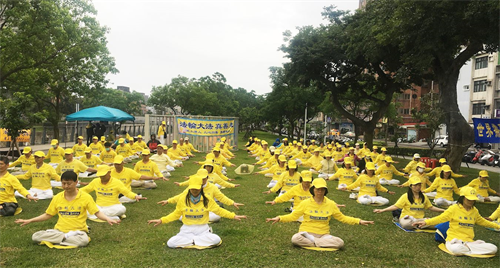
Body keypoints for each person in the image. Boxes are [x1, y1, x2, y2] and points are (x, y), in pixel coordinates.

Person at [15, 171, 119, 247]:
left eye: (69, 183)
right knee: (35, 236)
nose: (66, 186)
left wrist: (107, 219)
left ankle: (59, 239)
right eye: (63, 183)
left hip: (78, 232)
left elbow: (96, 212)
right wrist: (30, 220)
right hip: (59, 231)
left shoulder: (85, 197)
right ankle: (64, 237)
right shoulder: (57, 197)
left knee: (83, 241)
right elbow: (48, 215)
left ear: (76, 182)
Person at [266, 178, 374, 249]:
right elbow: (293, 216)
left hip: (323, 235)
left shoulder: (331, 204)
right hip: (306, 234)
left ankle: (315, 242)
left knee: (340, 243)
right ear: (313, 190)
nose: (320, 192)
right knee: (295, 239)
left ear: (325, 191)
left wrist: (359, 221)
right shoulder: (305, 203)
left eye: (322, 190)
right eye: (317, 189)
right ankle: (318, 242)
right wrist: (279, 218)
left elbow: (343, 218)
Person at [148, 175, 247, 248]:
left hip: (202, 228)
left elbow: (219, 210)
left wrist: (233, 216)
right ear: (189, 188)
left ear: (201, 187)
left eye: (197, 188)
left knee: (216, 239)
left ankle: (192, 241)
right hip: (186, 229)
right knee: (171, 243)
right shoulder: (183, 199)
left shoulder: (207, 199)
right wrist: (161, 220)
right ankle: (195, 241)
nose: (194, 191)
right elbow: (175, 214)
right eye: (192, 189)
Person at [413, 187, 500, 255]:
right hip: (453, 241)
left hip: (469, 241)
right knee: (457, 249)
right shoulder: (454, 208)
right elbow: (440, 218)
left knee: (493, 248)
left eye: (472, 199)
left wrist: (498, 226)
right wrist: (426, 222)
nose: (471, 201)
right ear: (462, 198)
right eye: (468, 199)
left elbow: (483, 222)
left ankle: (468, 247)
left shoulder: (474, 211)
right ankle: (469, 248)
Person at [163, 169, 243, 222]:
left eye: (203, 179)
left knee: (216, 216)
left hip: (208, 209)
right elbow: (181, 196)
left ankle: (199, 220)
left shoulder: (212, 187)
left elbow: (222, 198)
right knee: (180, 215)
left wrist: (232, 203)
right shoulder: (192, 187)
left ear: (207, 178)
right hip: (193, 210)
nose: (202, 180)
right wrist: (168, 201)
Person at [373, 177, 444, 229]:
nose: (418, 187)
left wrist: (443, 210)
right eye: (415, 185)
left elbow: (431, 207)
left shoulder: (424, 197)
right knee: (406, 225)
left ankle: (420, 224)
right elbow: (395, 206)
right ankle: (421, 224)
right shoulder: (405, 196)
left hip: (419, 219)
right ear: (410, 186)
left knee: (438, 225)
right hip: (407, 219)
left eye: (419, 185)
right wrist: (383, 210)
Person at [81, 166, 146, 220]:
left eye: (103, 175)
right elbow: (85, 189)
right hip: (99, 206)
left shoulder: (116, 182)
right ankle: (108, 216)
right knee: (84, 208)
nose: (102, 177)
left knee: (122, 209)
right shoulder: (95, 181)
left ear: (109, 173)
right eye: (100, 175)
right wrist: (74, 191)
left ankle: (98, 215)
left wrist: (135, 196)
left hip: (113, 206)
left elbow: (127, 192)